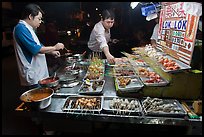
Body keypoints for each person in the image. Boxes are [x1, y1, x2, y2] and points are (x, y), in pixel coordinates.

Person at [13, 3, 64, 92]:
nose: (40, 22)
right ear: (30, 16)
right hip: (33, 75)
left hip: (39, 73)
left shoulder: (29, 28)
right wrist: (55, 47)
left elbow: (39, 46)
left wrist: (50, 52)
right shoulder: (20, 28)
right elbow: (35, 49)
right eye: (39, 19)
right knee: (37, 101)